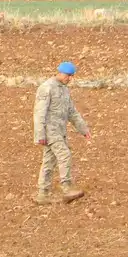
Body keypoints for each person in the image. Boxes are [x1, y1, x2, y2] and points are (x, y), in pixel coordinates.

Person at [33, 61, 92, 204]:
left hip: (60, 131)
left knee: (49, 161)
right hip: (50, 131)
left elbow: (72, 112)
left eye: (72, 76)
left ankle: (42, 194)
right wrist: (40, 135)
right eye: (68, 75)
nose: (69, 79)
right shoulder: (46, 88)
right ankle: (66, 187)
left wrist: (83, 130)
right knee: (64, 155)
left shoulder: (64, 90)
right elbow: (39, 113)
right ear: (59, 72)